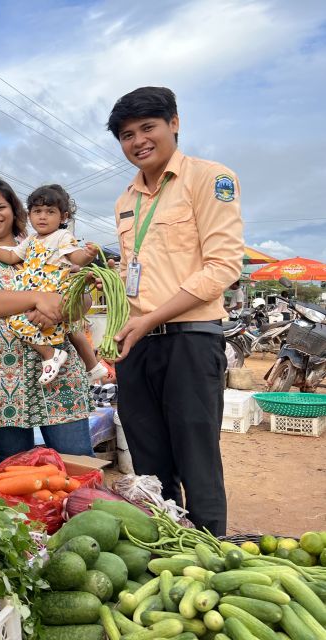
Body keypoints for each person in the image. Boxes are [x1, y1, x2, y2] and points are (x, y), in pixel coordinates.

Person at [106, 87, 244, 535]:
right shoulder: (125, 200)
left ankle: (210, 555)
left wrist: (152, 316)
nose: (139, 141)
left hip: (192, 337)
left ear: (174, 123)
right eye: (127, 135)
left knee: (196, 456)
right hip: (139, 343)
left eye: (149, 127)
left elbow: (223, 266)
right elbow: (132, 273)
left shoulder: (210, 178)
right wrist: (127, 325)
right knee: (148, 461)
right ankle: (167, 549)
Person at [0, 177, 95, 463]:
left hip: (58, 376)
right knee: (16, 466)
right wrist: (36, 298)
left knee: (77, 462)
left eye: (0, 206)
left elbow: (81, 303)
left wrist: (63, 303)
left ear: (16, 211)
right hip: (0, 381)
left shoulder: (46, 245)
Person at [0, 184, 107, 384]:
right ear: (29, 215)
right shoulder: (30, 240)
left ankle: (52, 355)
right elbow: (12, 255)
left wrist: (87, 255)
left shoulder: (62, 237)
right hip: (37, 292)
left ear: (63, 217)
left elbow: (76, 258)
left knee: (49, 325)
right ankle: (66, 358)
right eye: (37, 211)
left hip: (54, 289)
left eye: (50, 212)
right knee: (23, 322)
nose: (42, 217)